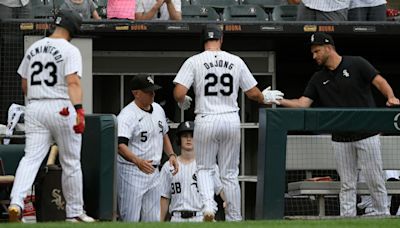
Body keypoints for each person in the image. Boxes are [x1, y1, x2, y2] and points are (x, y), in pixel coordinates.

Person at [279, 32, 400, 216]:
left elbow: (379, 81)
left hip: (367, 133)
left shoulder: (356, 63)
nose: (314, 56)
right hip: (340, 138)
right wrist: (279, 100)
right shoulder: (318, 78)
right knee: (347, 183)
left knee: (375, 179)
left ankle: (382, 215)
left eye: (317, 51)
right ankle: (346, 220)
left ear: (329, 48)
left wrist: (391, 96)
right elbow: (303, 103)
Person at [173, 24, 284, 221]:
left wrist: (183, 101)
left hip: (206, 118)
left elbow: (179, 92)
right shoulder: (235, 60)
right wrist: (264, 98)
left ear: (203, 41)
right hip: (231, 118)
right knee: (230, 173)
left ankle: (208, 206)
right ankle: (235, 217)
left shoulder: (194, 61)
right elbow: (252, 93)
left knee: (205, 169)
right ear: (221, 39)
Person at [8, 9, 95, 223]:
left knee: (30, 159)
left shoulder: (34, 47)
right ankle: (74, 212)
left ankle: (16, 203)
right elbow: (73, 82)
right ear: (73, 28)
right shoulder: (69, 49)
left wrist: (38, 102)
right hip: (61, 106)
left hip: (35, 106)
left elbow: (24, 84)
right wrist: (80, 110)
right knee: (71, 161)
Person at [117, 74, 179, 222]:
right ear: (136, 93)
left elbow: (163, 134)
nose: (153, 94)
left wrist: (171, 154)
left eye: (153, 90)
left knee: (152, 220)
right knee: (130, 219)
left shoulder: (158, 109)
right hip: (132, 171)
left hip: (153, 172)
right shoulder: (127, 115)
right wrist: (138, 161)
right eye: (148, 91)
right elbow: (120, 145)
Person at [160, 121, 225, 222]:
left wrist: (228, 201)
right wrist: (159, 222)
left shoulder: (208, 165)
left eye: (192, 136)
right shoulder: (168, 166)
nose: (189, 139)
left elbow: (220, 190)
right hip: (176, 218)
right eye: (185, 136)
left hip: (201, 217)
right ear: (179, 140)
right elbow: (164, 197)